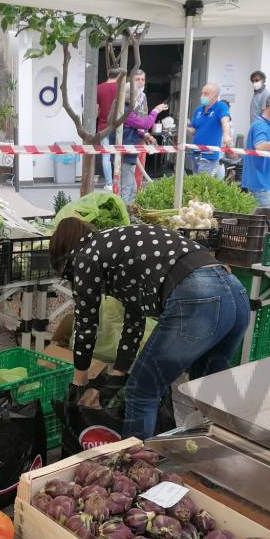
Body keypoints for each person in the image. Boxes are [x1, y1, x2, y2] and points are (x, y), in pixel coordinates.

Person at [49, 218, 250, 439]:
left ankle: (135, 467)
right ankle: (225, 456)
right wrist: (113, 379)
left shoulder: (85, 255)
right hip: (235, 293)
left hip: (198, 294)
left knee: (142, 392)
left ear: (64, 254)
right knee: (209, 391)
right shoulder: (117, 249)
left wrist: (80, 382)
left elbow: (86, 323)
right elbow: (134, 322)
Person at [119, 70, 167, 204]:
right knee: (127, 181)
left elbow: (142, 118)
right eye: (137, 79)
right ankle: (125, 210)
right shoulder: (125, 107)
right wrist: (156, 111)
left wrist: (145, 134)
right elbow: (141, 121)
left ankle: (131, 209)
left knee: (135, 180)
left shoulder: (143, 97)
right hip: (128, 143)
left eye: (142, 80)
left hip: (137, 141)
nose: (140, 82)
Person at [187, 83, 232, 179]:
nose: (202, 96)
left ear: (215, 96)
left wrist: (226, 135)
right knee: (196, 182)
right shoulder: (198, 110)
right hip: (195, 153)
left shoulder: (221, 106)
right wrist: (185, 125)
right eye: (202, 93)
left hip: (208, 156)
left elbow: (225, 120)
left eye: (206, 94)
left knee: (201, 184)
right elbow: (194, 131)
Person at [96, 68, 122, 190]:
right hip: (118, 125)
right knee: (119, 153)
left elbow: (96, 110)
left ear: (108, 74)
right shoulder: (121, 88)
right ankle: (119, 181)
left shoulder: (99, 88)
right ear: (119, 75)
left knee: (106, 155)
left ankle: (109, 183)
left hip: (103, 126)